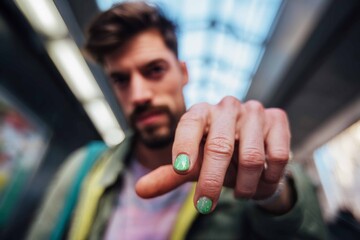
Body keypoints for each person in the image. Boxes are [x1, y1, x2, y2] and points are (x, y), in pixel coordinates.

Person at [28, 1, 327, 239]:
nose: (139, 94)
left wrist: (274, 192)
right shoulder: (83, 169)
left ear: (183, 73)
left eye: (154, 70)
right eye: (121, 79)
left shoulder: (234, 166)